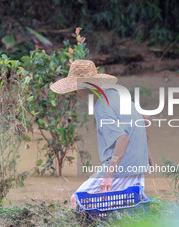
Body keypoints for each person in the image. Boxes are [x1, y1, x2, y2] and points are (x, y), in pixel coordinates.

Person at [50, 59, 154, 208]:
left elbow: (123, 139)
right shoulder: (115, 94)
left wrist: (108, 176)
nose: (73, 93)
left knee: (77, 200)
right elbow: (146, 117)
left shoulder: (102, 107)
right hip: (138, 165)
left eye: (74, 89)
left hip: (122, 167)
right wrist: (147, 153)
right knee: (115, 207)